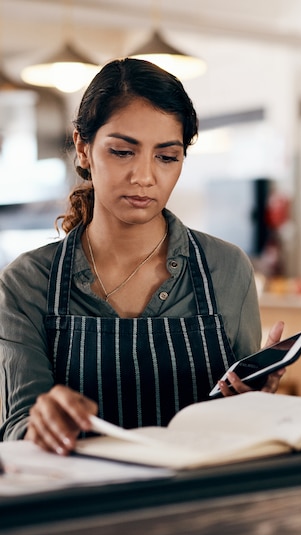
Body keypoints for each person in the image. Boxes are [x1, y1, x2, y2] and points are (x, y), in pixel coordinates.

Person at [0, 58, 285, 455]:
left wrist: (257, 399)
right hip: (83, 507)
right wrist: (40, 423)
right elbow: (18, 427)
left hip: (200, 503)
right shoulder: (27, 281)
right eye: (122, 152)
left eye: (166, 157)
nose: (145, 176)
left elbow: (239, 423)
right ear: (83, 148)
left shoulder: (226, 267)